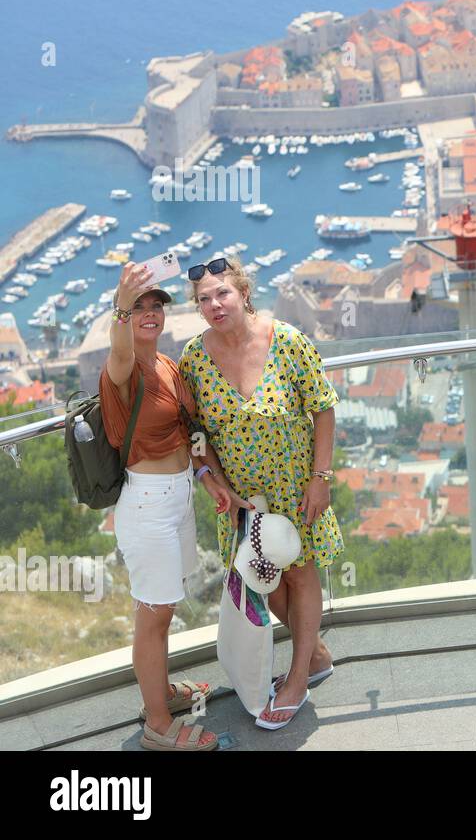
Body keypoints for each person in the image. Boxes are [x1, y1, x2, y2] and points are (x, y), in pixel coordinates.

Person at [179, 255, 340, 729]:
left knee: (300, 573)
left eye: (222, 293)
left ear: (243, 293)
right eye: (204, 299)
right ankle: (317, 654)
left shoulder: (287, 341)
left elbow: (324, 409)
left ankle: (296, 679)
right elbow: (195, 435)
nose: (214, 304)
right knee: (266, 583)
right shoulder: (194, 359)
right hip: (244, 500)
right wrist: (215, 483)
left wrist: (321, 479)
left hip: (296, 487)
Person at [104, 262, 240, 751]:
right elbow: (119, 349)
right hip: (147, 506)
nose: (149, 314)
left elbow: (189, 431)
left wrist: (207, 479)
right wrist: (122, 303)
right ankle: (158, 725)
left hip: (180, 495)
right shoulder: (123, 370)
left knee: (165, 604)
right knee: (153, 614)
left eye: (155, 306)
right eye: (138, 308)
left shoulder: (166, 364)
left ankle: (160, 692)